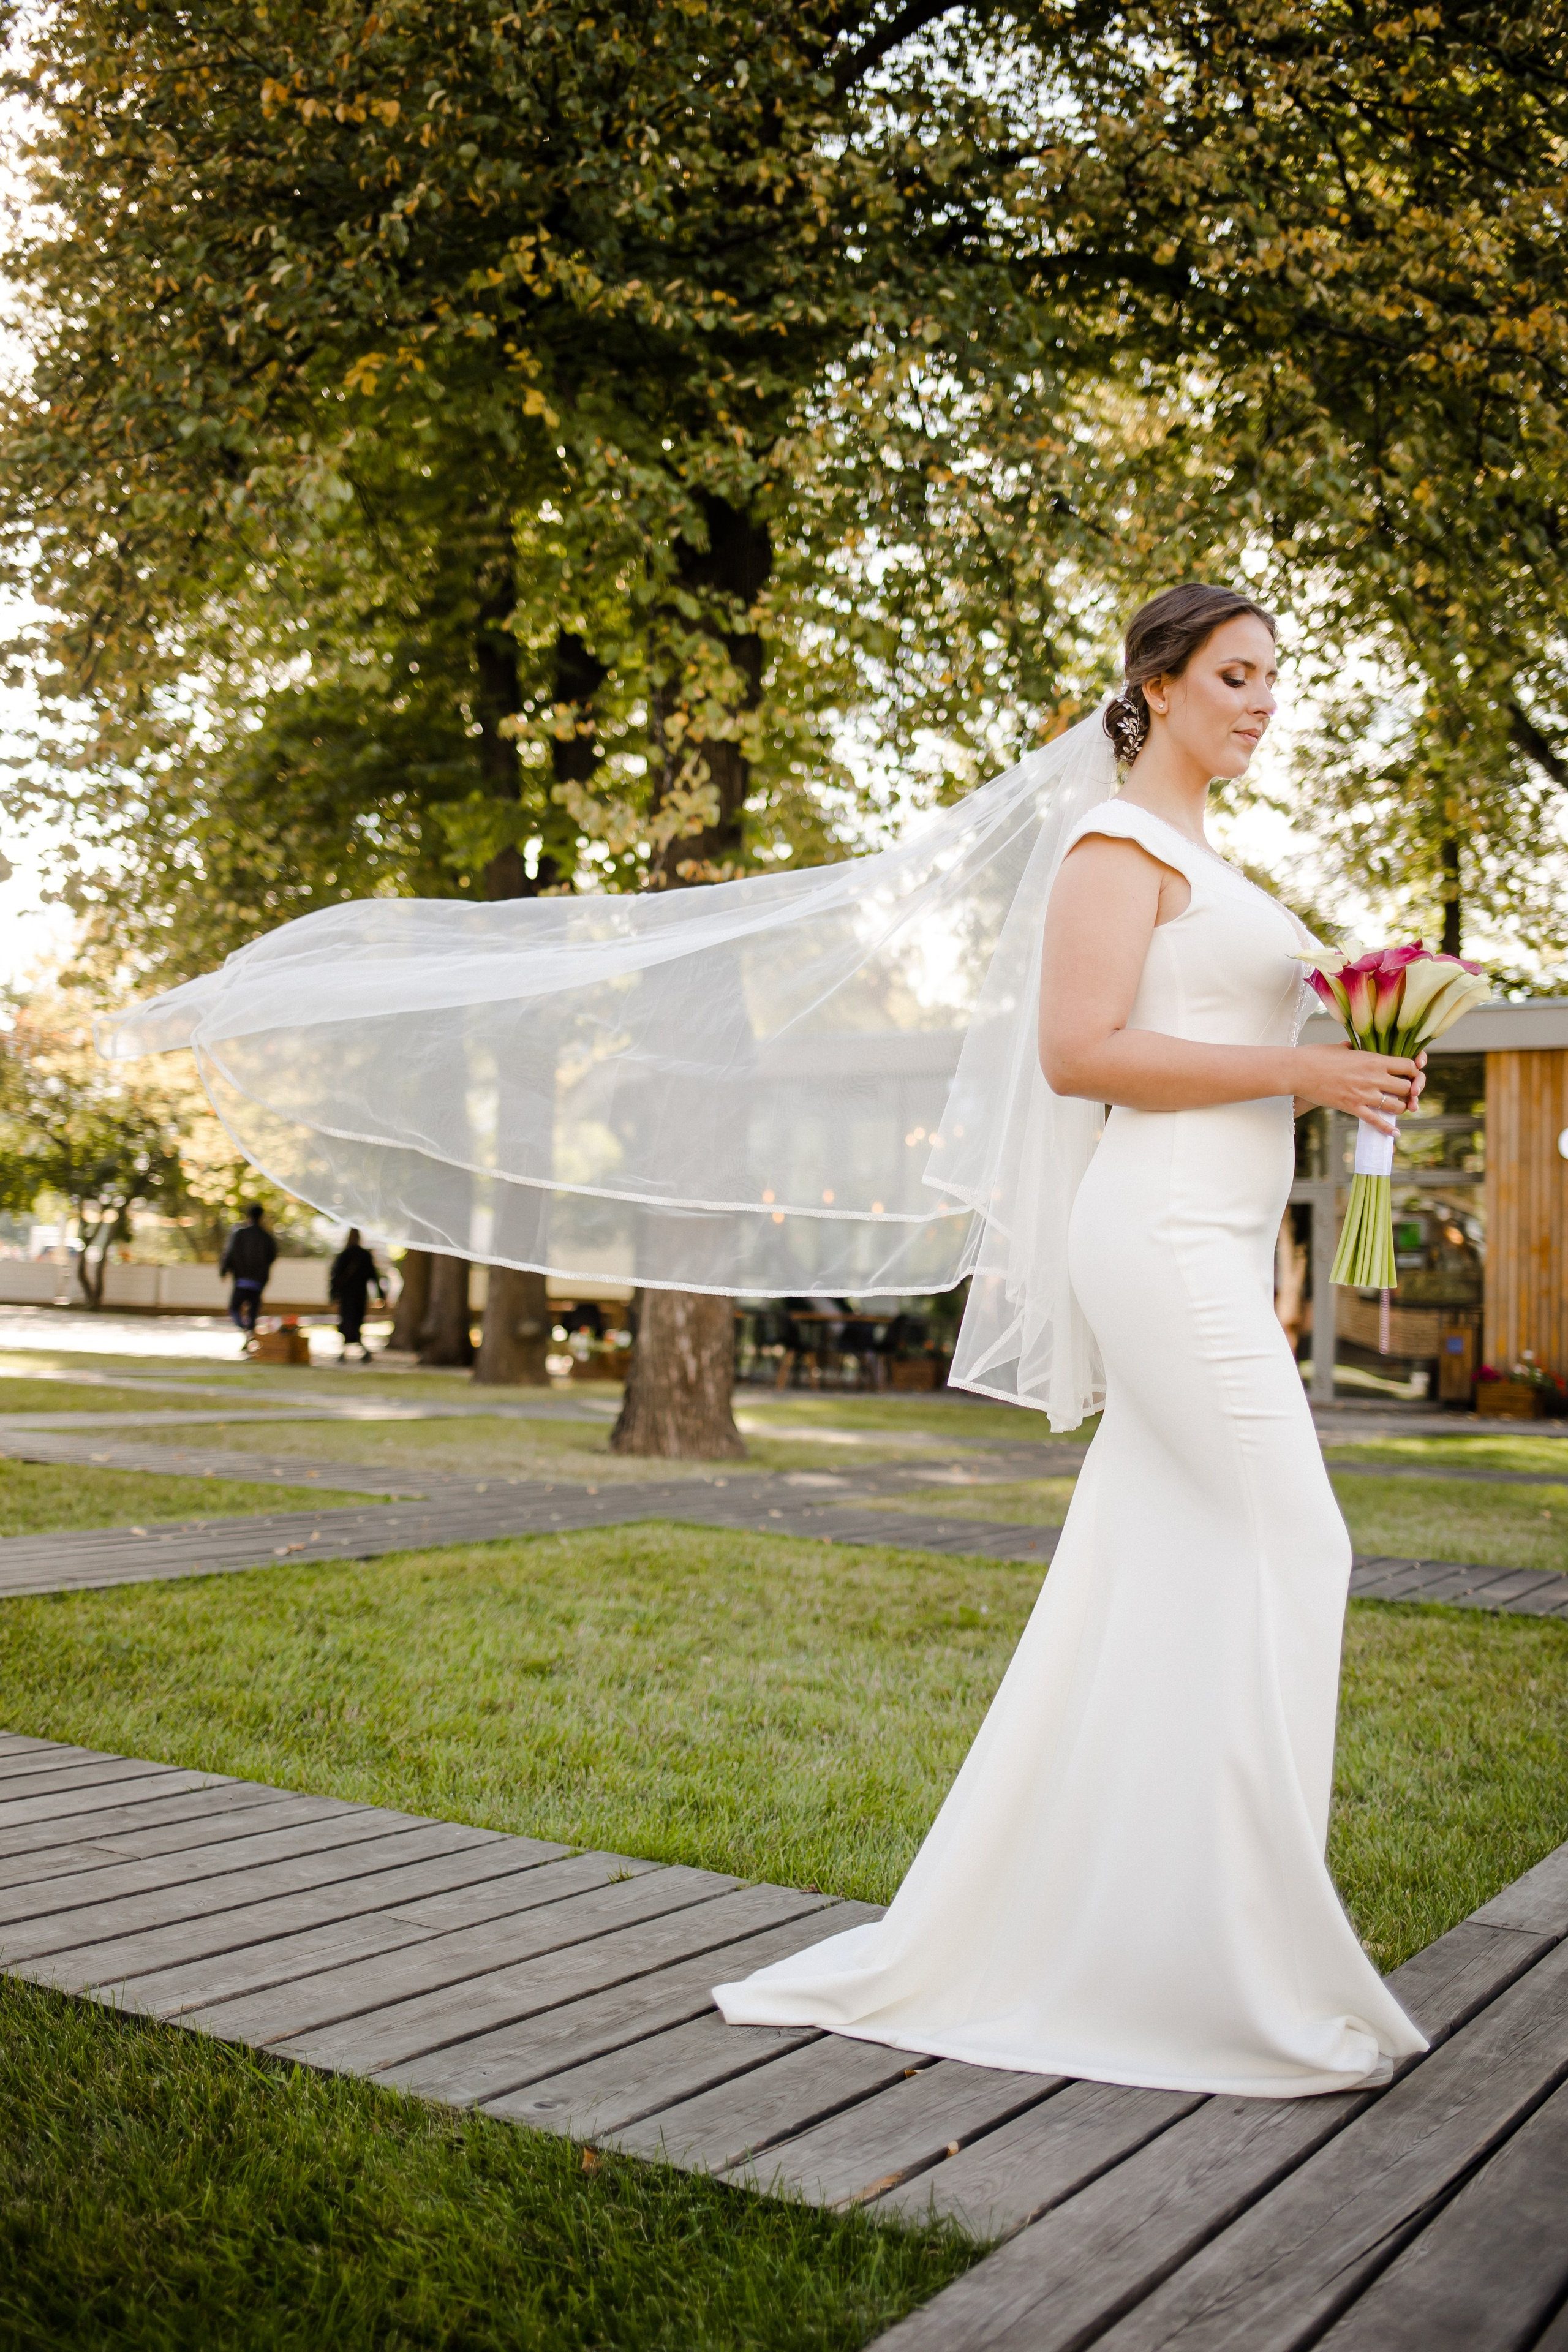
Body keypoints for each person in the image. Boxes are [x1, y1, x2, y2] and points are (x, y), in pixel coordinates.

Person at [715, 584, 1431, 2097]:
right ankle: (1250, 1959)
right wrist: (1303, 1059)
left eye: (1270, 681)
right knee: (1296, 1550)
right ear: (1156, 685)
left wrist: (1355, 1046)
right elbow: (1078, 1051)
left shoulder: (1203, 859)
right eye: (1233, 675)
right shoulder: (1113, 845)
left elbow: (1218, 1036)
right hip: (1159, 1240)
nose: (1258, 702)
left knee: (1158, 1580)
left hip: (1221, 1250)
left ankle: (1146, 1934)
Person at [219, 1204, 276, 1351]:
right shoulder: (266, 1236)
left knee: (234, 1308)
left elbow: (229, 1253)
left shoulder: (240, 1233)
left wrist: (225, 1270)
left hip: (242, 1279)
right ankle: (250, 1331)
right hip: (259, 1280)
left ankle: (245, 1329)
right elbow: (272, 1256)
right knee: (253, 1310)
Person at [328, 1228, 385, 1362]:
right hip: (360, 1295)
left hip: (346, 1295)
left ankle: (347, 1350)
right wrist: (381, 1295)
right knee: (356, 1321)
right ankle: (359, 1349)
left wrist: (333, 1294)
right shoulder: (364, 1255)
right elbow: (374, 1276)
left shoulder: (344, 1255)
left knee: (347, 1320)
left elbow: (335, 1277)